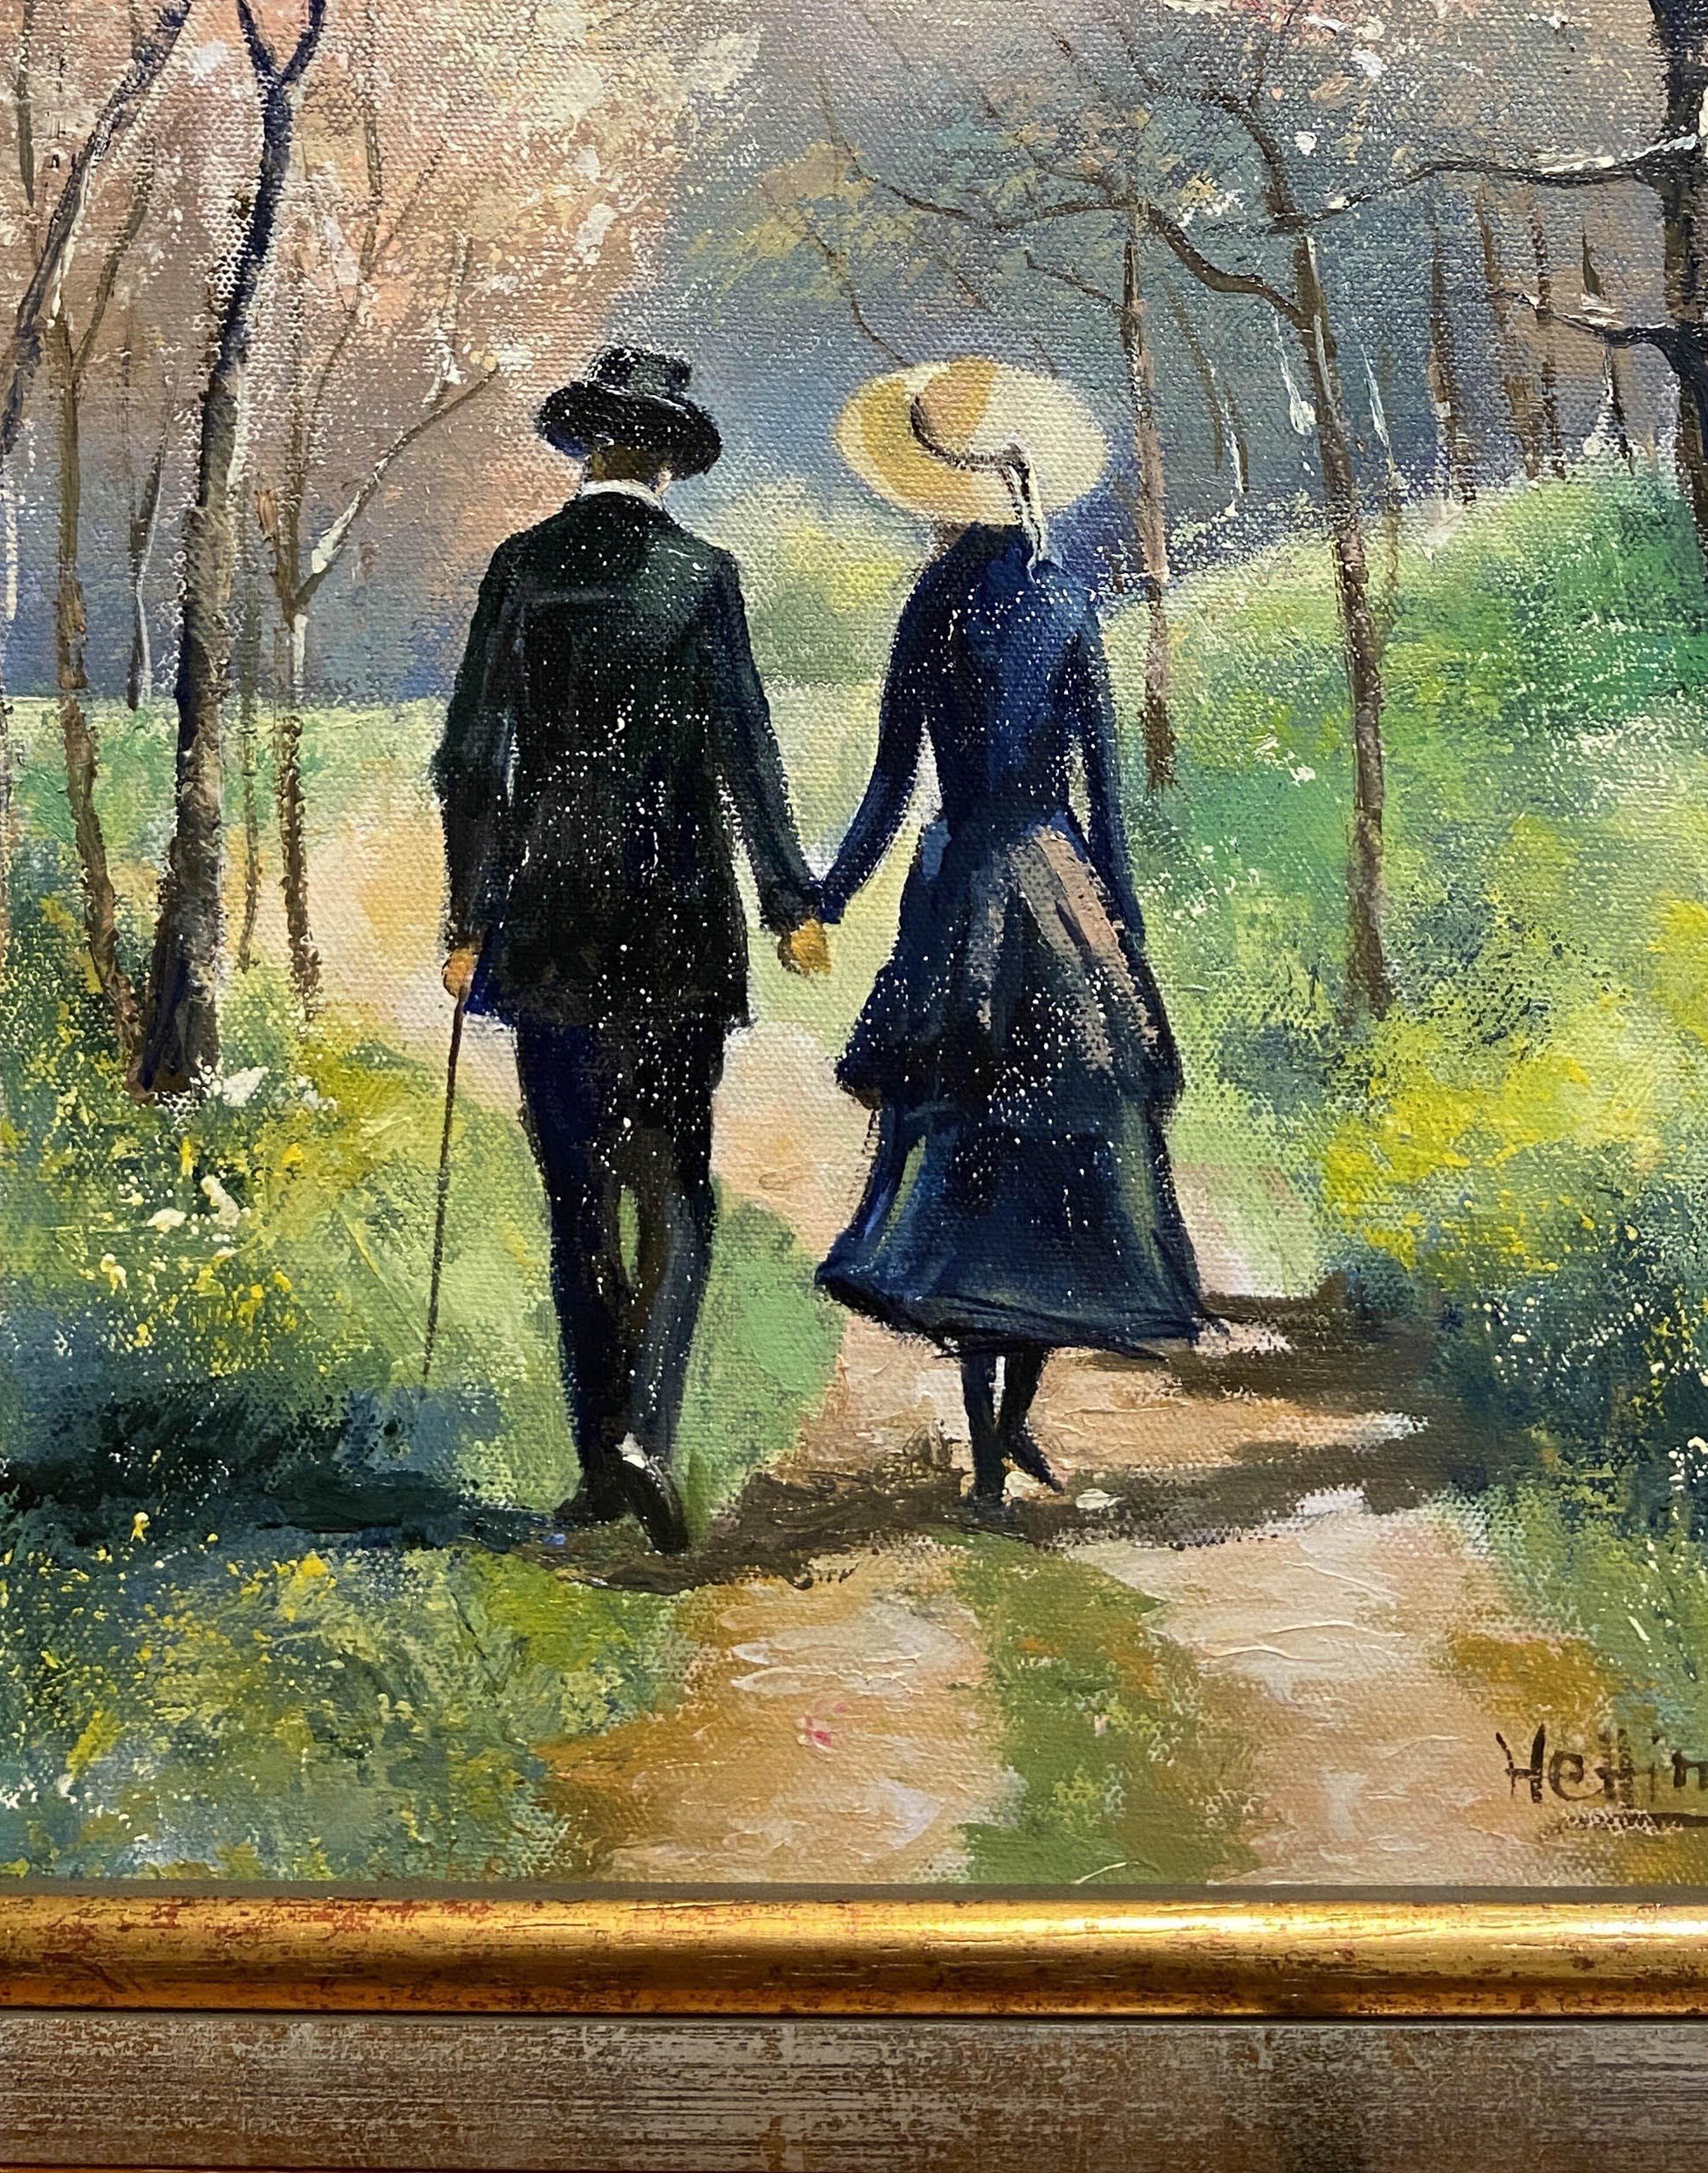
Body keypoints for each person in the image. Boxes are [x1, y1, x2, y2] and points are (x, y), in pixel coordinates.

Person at [431, 348, 828, 1555]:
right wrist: (790, 902)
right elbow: (747, 748)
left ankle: (601, 1464)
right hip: (677, 930)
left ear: (592, 446)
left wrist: (468, 920)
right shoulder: (703, 577)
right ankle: (647, 1434)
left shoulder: (520, 569)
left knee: (576, 1204)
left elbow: (471, 759)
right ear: (665, 461)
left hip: (548, 930)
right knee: (674, 1188)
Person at [813, 356, 1206, 1510]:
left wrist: (827, 899)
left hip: (961, 895)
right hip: (1062, 893)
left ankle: (989, 1452)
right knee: (1054, 1164)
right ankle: (1014, 1427)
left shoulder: (931, 606)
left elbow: (892, 785)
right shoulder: (1069, 602)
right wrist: (1121, 929)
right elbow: (1105, 796)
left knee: (968, 1166)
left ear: (935, 494)